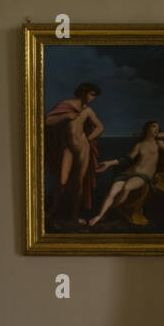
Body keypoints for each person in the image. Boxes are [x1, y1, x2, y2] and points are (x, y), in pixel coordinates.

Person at [86, 121, 164, 228]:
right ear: (147, 129)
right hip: (129, 172)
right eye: (153, 126)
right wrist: (109, 163)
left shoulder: (158, 144)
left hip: (142, 175)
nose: (156, 129)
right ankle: (99, 216)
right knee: (112, 191)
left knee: (126, 188)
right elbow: (127, 159)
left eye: (158, 127)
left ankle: (105, 213)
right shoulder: (139, 145)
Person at [44, 82, 104, 224]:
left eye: (94, 96)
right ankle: (52, 210)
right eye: (91, 94)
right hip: (68, 149)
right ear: (83, 92)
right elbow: (48, 121)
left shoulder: (87, 111)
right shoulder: (65, 105)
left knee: (79, 183)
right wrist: (65, 117)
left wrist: (88, 139)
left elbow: (100, 127)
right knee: (62, 181)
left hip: (83, 149)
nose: (92, 98)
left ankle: (75, 215)